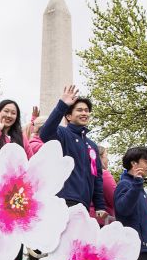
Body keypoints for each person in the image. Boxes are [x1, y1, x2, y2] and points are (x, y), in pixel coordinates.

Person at [40, 85, 107, 217]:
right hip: (63, 200)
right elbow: (45, 133)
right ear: (69, 116)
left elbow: (97, 177)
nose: (84, 113)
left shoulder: (92, 145)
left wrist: (100, 206)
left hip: (84, 205)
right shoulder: (62, 133)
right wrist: (62, 105)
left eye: (87, 111)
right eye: (80, 110)